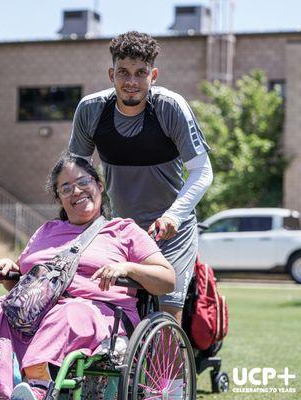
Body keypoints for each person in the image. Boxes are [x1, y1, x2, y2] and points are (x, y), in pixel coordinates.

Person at [0, 152, 175, 400]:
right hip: (40, 312)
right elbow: (24, 289)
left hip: (97, 313)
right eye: (66, 188)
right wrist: (10, 269)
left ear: (99, 185)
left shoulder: (123, 230)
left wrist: (128, 268)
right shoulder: (46, 231)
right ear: (59, 198)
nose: (76, 191)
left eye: (83, 182)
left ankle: (39, 388)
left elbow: (167, 279)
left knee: (69, 312)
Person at [69, 31, 213, 325]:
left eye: (140, 73)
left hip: (171, 231)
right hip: (122, 231)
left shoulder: (170, 107)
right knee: (106, 307)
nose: (131, 81)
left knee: (165, 315)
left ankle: (169, 372)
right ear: (112, 74)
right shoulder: (91, 109)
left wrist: (174, 215)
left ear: (153, 75)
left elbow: (202, 170)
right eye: (123, 72)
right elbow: (76, 172)